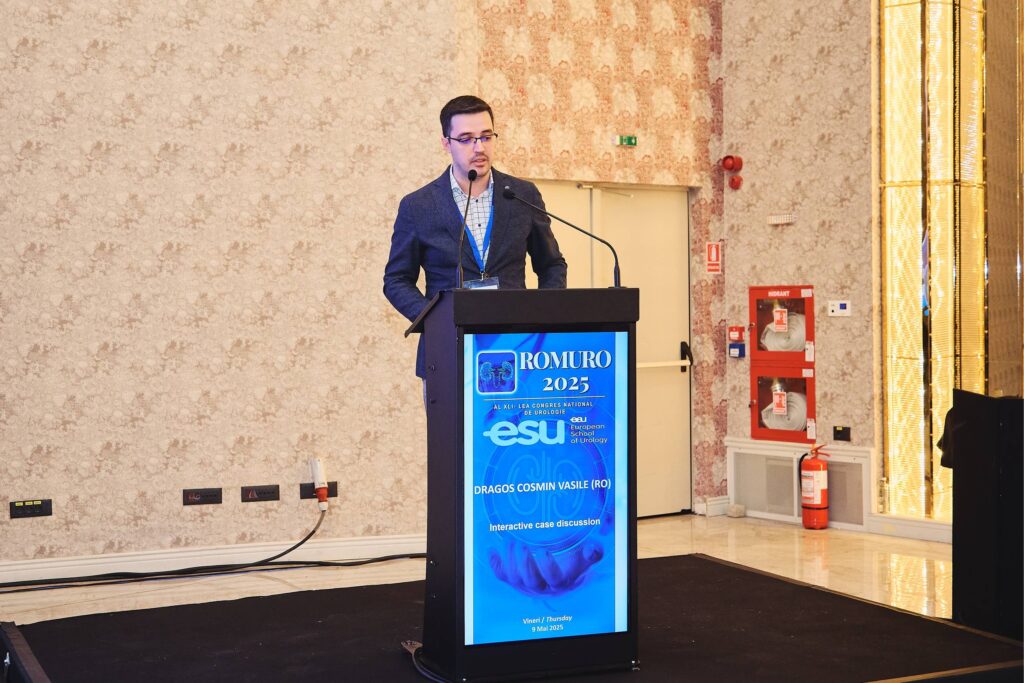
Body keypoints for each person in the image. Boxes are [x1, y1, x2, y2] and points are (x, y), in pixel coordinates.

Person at [383, 95, 567, 377]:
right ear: (446, 143)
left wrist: (541, 320)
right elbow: (396, 280)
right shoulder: (418, 206)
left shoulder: (522, 195)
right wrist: (433, 319)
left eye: (486, 137)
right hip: (447, 350)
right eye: (466, 139)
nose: (479, 147)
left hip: (519, 348)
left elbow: (552, 265)